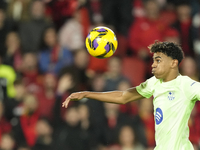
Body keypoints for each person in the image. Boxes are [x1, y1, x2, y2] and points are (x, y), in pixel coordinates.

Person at [62, 41, 200, 150]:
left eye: (158, 61)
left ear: (173, 63)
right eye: (153, 60)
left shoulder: (187, 85)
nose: (153, 65)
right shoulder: (154, 83)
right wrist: (87, 94)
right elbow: (123, 96)